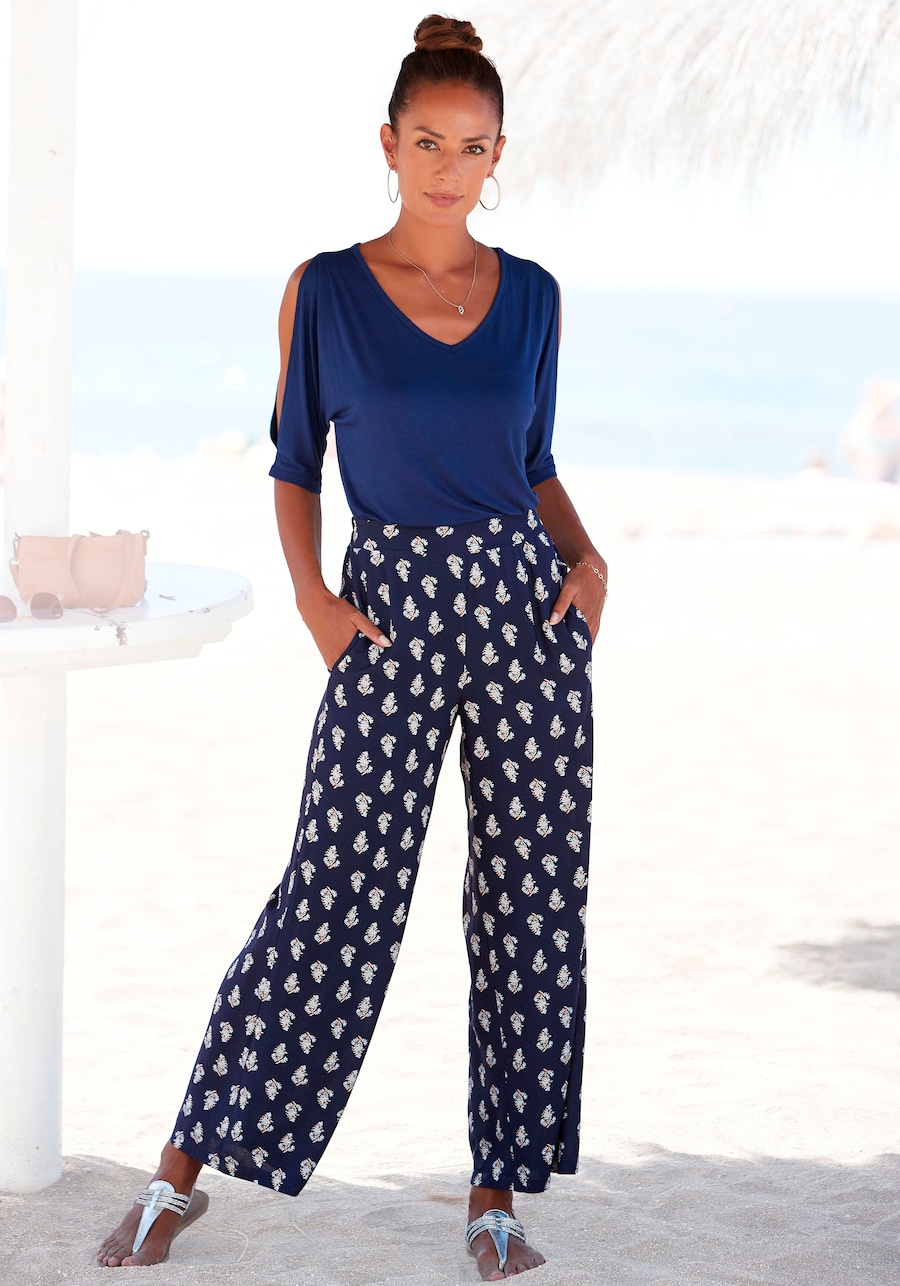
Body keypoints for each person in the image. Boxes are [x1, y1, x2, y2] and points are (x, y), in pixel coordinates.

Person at [97, 15, 608, 1280]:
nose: (449, 167)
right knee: (332, 895)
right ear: (388, 144)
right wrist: (316, 602)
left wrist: (589, 562)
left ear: (500, 157)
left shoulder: (536, 297)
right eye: (427, 141)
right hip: (386, 609)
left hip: (525, 609)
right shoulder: (324, 289)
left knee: (534, 904)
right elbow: (293, 464)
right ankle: (178, 1173)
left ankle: (495, 1198)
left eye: (472, 147)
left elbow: (535, 462)